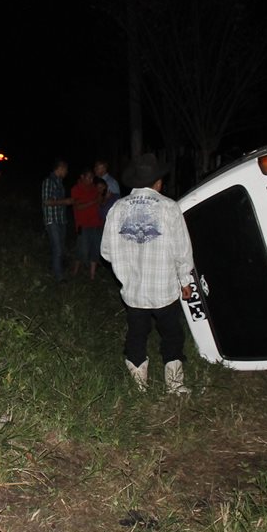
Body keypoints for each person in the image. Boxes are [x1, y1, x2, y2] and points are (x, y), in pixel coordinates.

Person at [101, 154, 196, 394]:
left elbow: (106, 251)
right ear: (158, 183)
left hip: (133, 289)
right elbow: (182, 250)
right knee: (172, 333)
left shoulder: (117, 208)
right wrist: (185, 280)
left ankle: (138, 384)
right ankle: (174, 384)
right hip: (164, 287)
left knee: (136, 332)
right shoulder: (169, 208)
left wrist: (126, 264)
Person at [41, 159, 72, 282]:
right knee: (58, 248)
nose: (67, 172)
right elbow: (46, 201)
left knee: (59, 248)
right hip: (52, 220)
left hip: (60, 220)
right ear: (61, 168)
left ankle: (55, 269)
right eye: (66, 169)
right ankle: (59, 277)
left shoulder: (59, 182)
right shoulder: (49, 181)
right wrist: (65, 201)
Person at [71, 169, 103, 279]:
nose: (90, 180)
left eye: (92, 178)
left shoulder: (94, 189)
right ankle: (76, 271)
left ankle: (92, 275)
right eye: (88, 177)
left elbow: (100, 202)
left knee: (95, 249)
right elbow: (78, 206)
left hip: (96, 224)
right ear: (82, 176)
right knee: (82, 249)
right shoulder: (76, 189)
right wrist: (94, 201)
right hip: (82, 225)